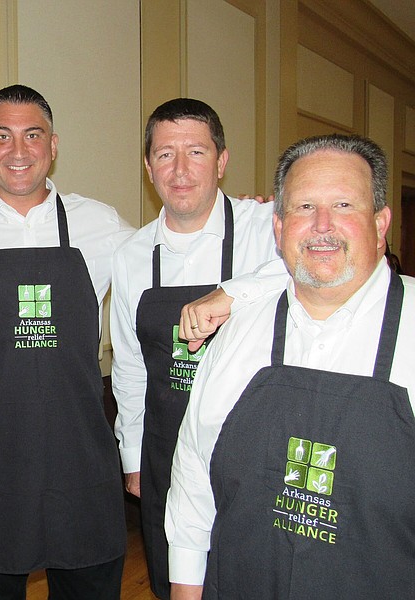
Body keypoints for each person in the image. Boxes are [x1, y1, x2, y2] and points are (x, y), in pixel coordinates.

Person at [166, 134, 415, 599]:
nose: (322, 225)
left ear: (380, 223)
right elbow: (193, 480)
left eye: (343, 204)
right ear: (278, 229)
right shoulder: (237, 332)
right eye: (303, 207)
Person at [0, 84, 135, 600]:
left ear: (53, 145)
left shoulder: (102, 224)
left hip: (79, 452)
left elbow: (174, 257)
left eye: (32, 135)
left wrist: (244, 221)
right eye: (2, 136)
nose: (18, 151)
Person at [109, 97, 278, 599]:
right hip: (167, 453)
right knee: (175, 584)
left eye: (196, 152)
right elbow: (131, 365)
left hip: (251, 452)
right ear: (148, 166)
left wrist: (233, 292)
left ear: (222, 161)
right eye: (165, 154)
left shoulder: (265, 230)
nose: (180, 170)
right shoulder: (132, 254)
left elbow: (317, 264)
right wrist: (133, 456)